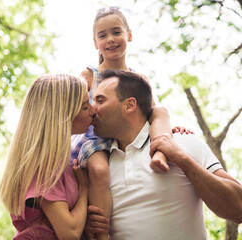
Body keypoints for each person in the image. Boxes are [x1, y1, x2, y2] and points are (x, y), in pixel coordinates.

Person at [87, 69, 242, 239]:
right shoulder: (98, 165)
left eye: (100, 101)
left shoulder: (182, 143)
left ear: (130, 105)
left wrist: (181, 158)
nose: (92, 109)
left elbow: (238, 208)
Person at [71, 6, 172, 239]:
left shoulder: (138, 78)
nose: (110, 40)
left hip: (126, 136)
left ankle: (162, 152)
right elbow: (72, 105)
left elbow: (150, 111)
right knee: (99, 170)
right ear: (95, 43)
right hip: (94, 136)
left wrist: (171, 129)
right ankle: (101, 232)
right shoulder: (90, 74)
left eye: (116, 32)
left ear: (129, 34)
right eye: (102, 35)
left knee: (161, 112)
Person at [0, 74, 96, 239]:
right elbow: (69, 233)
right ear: (62, 115)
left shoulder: (59, 161)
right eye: (85, 107)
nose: (93, 111)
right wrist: (84, 189)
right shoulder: (44, 167)